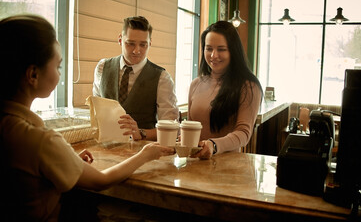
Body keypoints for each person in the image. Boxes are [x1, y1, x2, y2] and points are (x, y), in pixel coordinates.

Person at [0, 14, 175, 221]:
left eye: (143, 45)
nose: (136, 50)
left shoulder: (12, 127)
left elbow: (172, 125)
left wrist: (67, 159)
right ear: (33, 75)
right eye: (58, 66)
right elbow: (100, 181)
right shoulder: (41, 140)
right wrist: (146, 154)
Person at [93, 16, 179, 141]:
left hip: (144, 152)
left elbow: (172, 129)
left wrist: (142, 133)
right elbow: (97, 115)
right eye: (130, 43)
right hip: (106, 149)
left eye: (143, 45)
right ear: (120, 40)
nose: (136, 51)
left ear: (150, 43)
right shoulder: (102, 68)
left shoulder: (162, 78)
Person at [187, 21, 263, 160]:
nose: (213, 55)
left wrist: (213, 145)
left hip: (227, 166)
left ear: (233, 51)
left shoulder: (249, 86)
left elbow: (243, 133)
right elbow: (190, 127)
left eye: (221, 49)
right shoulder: (195, 84)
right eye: (209, 48)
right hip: (194, 163)